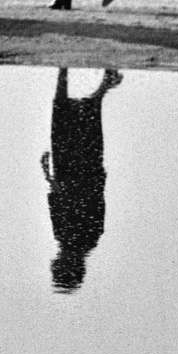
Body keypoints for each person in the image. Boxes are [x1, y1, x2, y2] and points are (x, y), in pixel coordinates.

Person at [42, 68, 119, 292]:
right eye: (58, 265)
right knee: (66, 115)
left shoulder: (78, 237)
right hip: (78, 172)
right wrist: (54, 178)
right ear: (69, 264)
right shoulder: (77, 237)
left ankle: (90, 80)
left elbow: (58, 199)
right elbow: (89, 199)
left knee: (70, 118)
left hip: (80, 171)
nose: (54, 261)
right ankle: (66, 70)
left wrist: (47, 173)